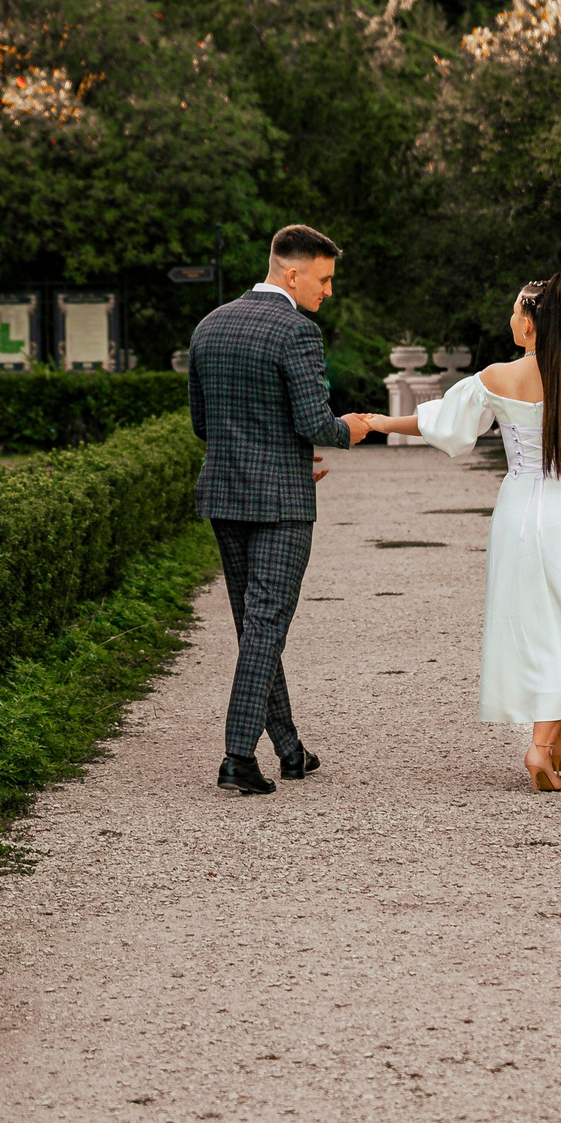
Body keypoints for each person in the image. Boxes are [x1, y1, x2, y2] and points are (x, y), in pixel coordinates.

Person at [355, 273, 561, 792]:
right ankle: (542, 744)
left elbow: (440, 424)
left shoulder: (496, 377)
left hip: (518, 510)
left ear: (534, 323)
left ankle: (553, 738)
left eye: (518, 310)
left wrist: (379, 422)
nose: (512, 318)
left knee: (537, 622)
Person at [189, 224, 361, 795]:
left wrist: (286, 456)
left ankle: (289, 750)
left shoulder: (208, 326)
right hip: (281, 505)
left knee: (255, 626)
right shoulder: (297, 331)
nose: (327, 291)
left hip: (225, 494)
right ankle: (238, 756)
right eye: (324, 278)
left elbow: (203, 426)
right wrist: (353, 428)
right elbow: (316, 423)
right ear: (292, 273)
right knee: (266, 626)